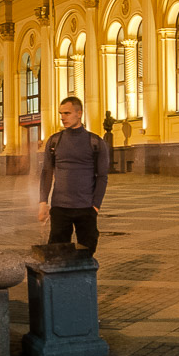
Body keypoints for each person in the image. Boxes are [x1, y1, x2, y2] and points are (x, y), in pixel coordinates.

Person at [38, 96, 108, 255]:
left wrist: (95, 206)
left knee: (87, 253)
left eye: (67, 113)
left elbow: (102, 176)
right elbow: (47, 172)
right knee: (56, 254)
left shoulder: (95, 142)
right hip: (60, 208)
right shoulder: (55, 141)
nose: (63, 117)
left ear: (79, 113)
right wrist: (43, 201)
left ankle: (83, 280)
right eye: (61, 113)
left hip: (86, 208)